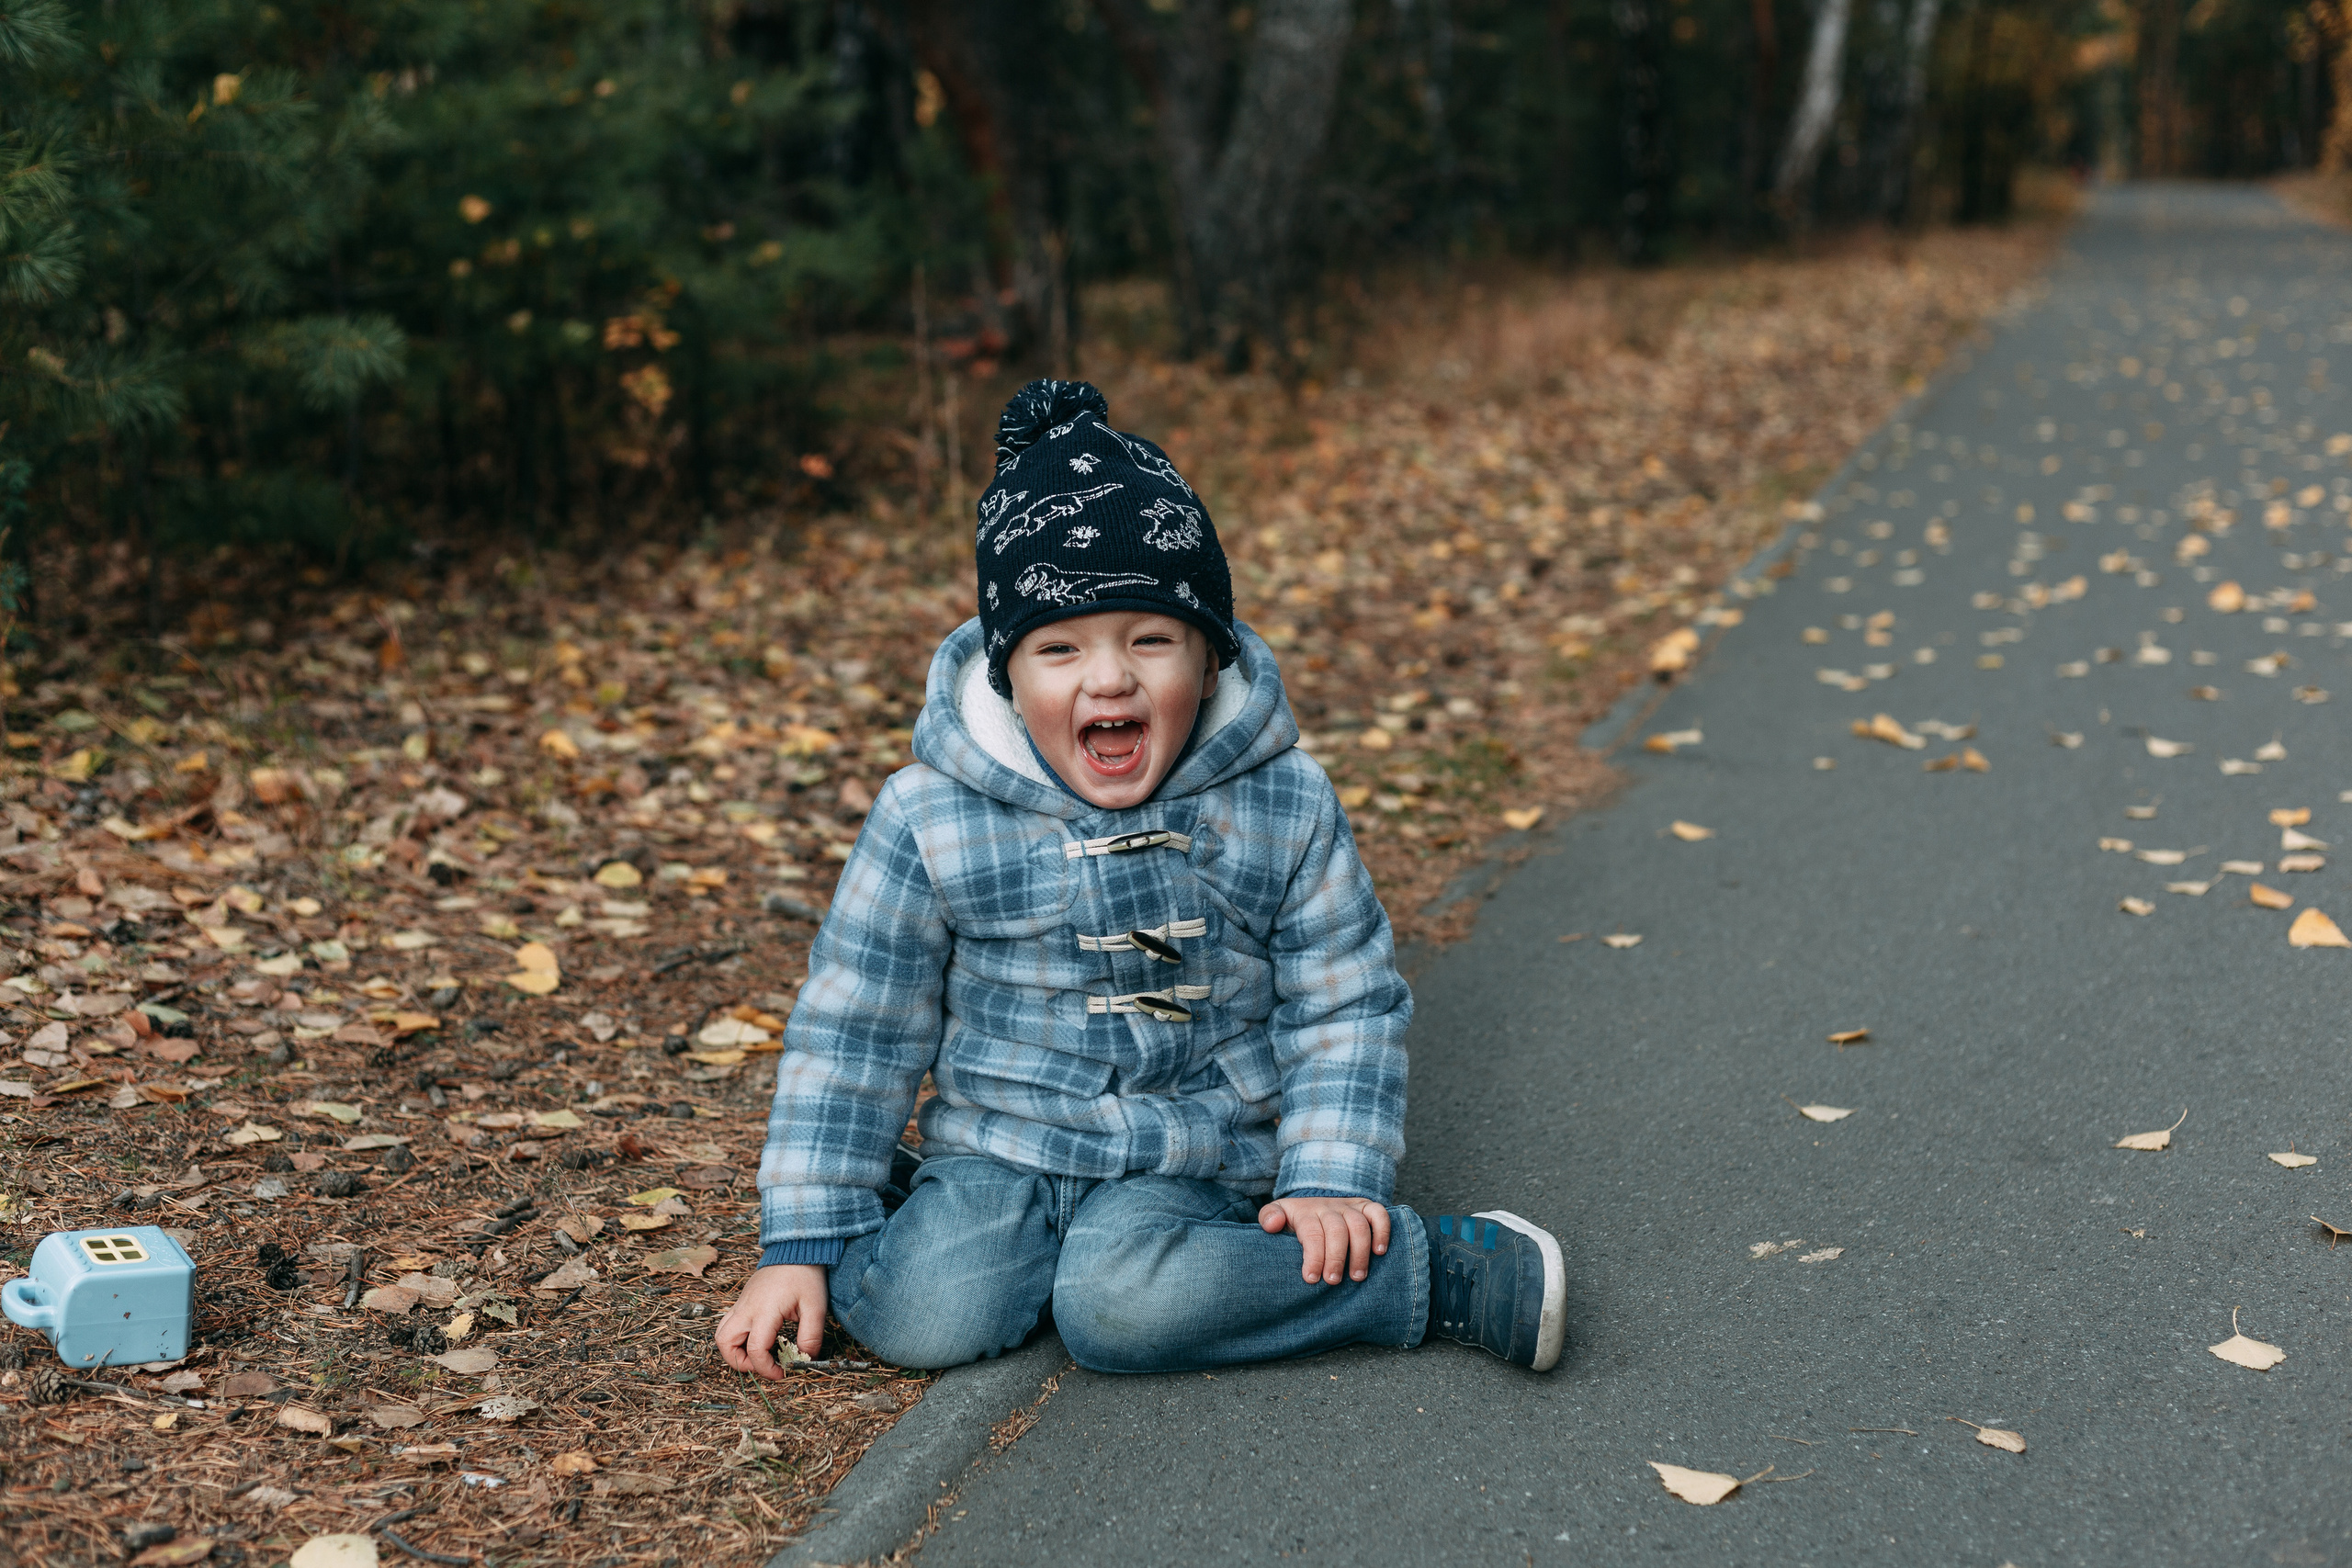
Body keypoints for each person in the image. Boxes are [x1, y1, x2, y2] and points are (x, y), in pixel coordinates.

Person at [715, 378, 1563, 1380]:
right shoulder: (930, 813)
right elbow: (856, 1022)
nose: (1107, 679)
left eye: (1150, 640)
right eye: (1059, 649)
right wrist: (802, 1241)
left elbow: (1343, 1000)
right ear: (1007, 676)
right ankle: (893, 1208)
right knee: (925, 1317)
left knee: (1117, 1310)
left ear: (1208, 661)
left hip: (1194, 1156)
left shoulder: (1280, 802)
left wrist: (1334, 1177)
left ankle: (1428, 1274)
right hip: (1003, 1146)